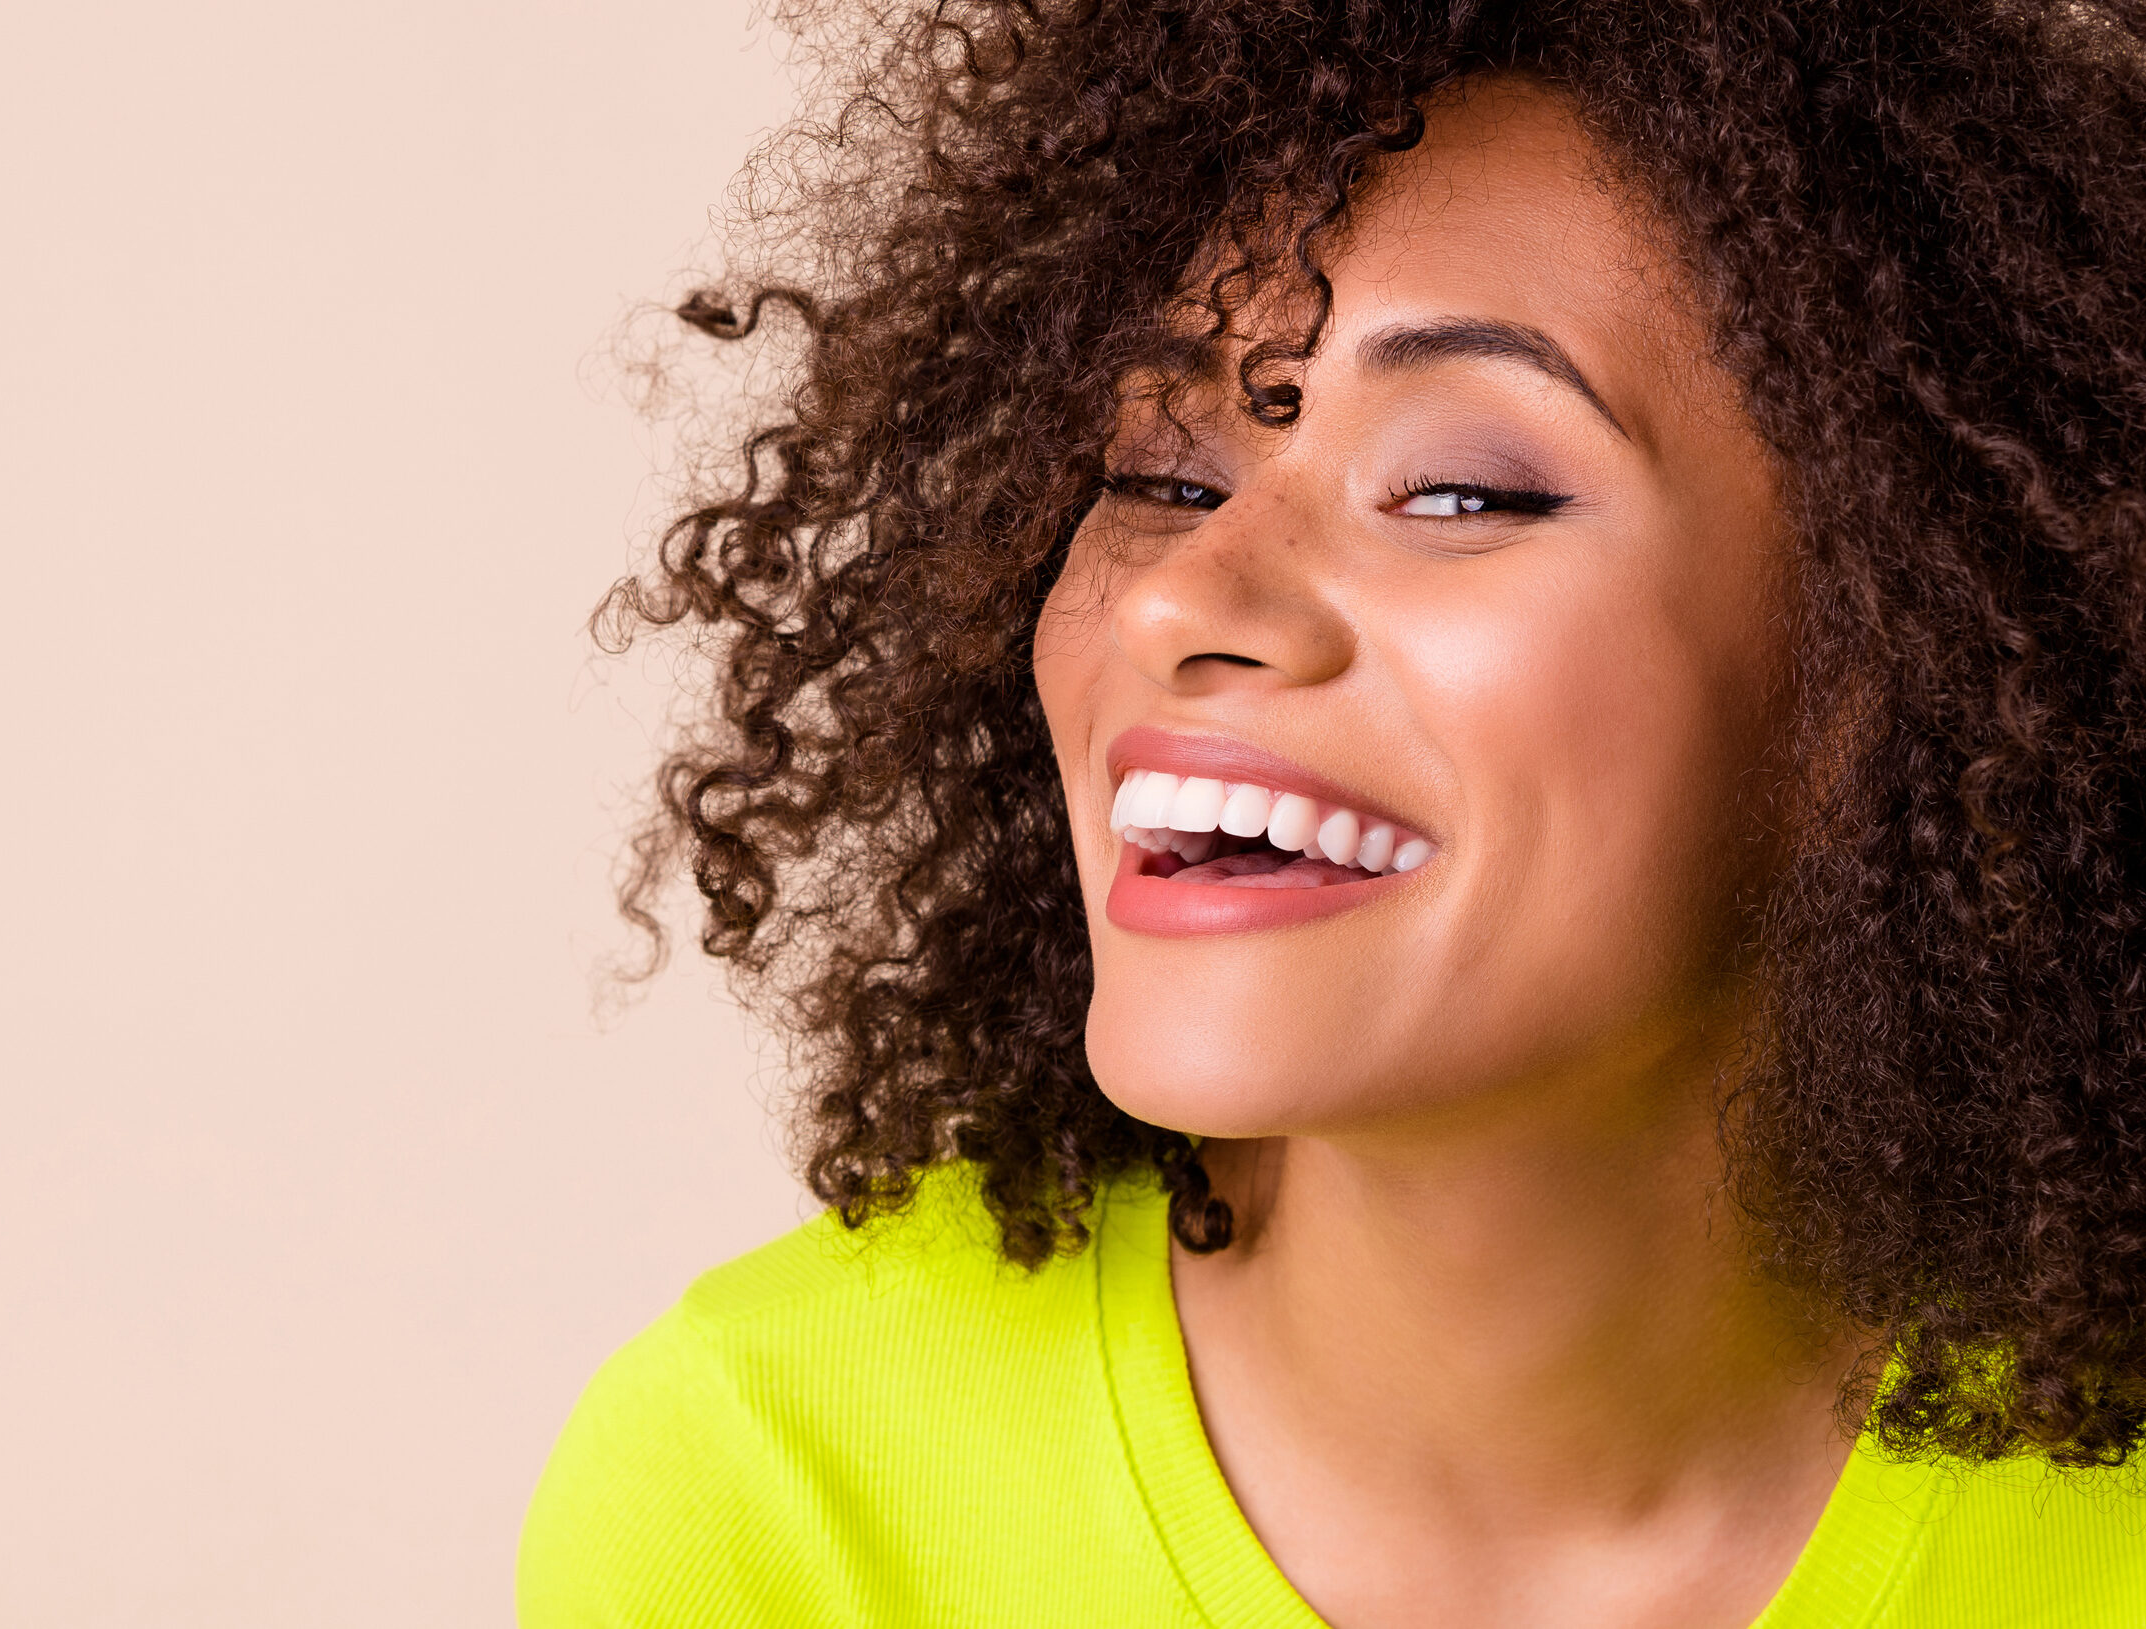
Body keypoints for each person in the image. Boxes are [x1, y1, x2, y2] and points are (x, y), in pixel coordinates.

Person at [519, 2, 2146, 1623]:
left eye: (1458, 491)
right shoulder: (772, 1495)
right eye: (1161, 477)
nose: (1184, 599)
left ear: (1897, 654)